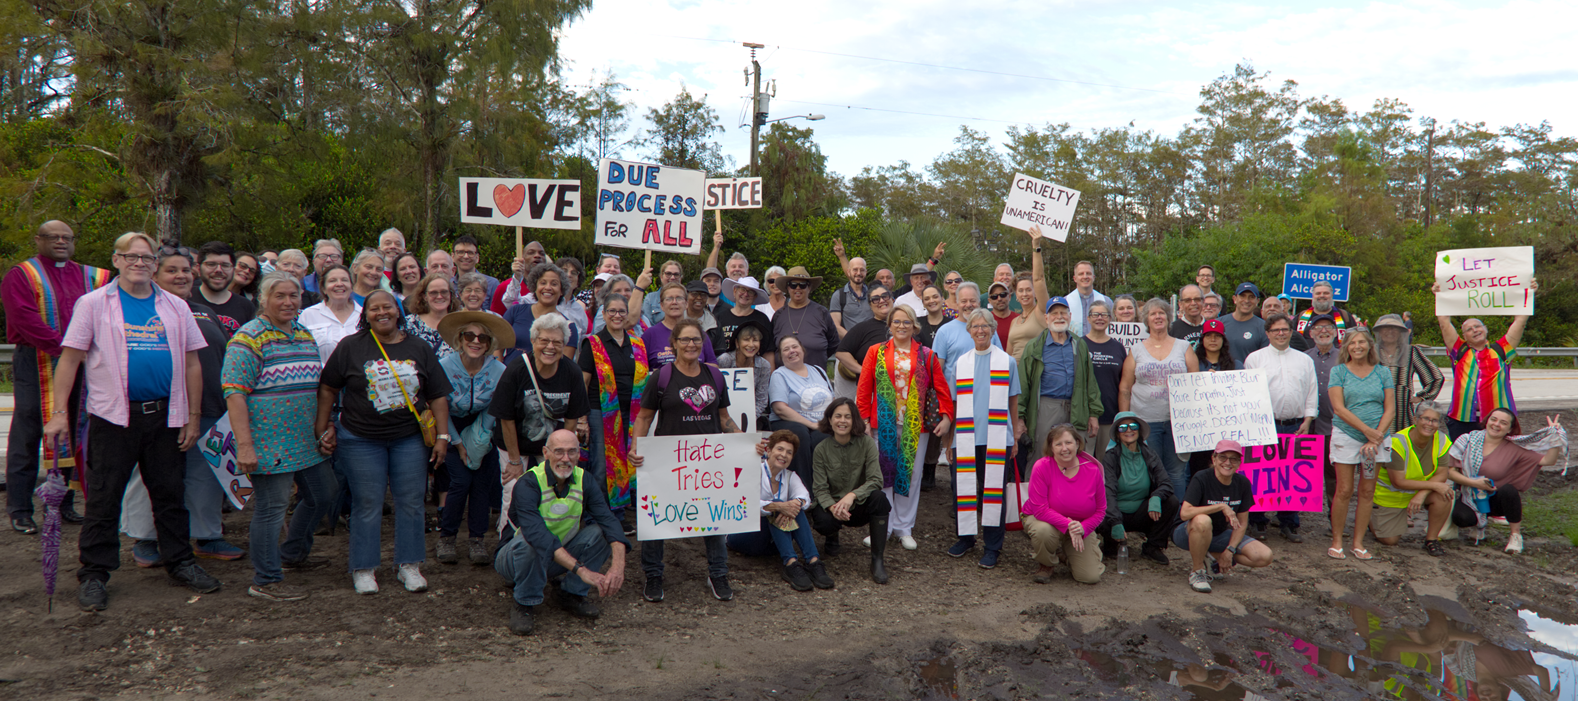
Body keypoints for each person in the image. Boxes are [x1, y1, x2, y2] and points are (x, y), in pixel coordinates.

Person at [44, 232, 220, 611]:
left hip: (165, 418)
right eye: (132, 256)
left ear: (155, 264)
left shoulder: (175, 306)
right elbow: (71, 359)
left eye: (147, 257)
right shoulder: (94, 304)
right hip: (113, 419)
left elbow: (192, 362)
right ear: (117, 260)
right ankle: (94, 573)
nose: (140, 263)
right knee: (104, 499)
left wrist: (191, 417)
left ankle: (180, 562)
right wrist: (59, 413)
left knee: (170, 496)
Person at [316, 289, 452, 595]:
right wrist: (322, 426)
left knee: (412, 502)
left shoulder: (419, 347)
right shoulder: (351, 346)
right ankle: (363, 568)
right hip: (360, 439)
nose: (382, 313)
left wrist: (442, 437)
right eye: (374, 308)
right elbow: (328, 387)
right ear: (366, 315)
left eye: (387, 307)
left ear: (398, 311)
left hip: (409, 439)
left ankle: (409, 565)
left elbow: (438, 395)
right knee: (367, 503)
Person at [117, 246, 243, 566]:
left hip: (212, 405)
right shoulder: (144, 310)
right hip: (163, 407)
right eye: (172, 270)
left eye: (186, 270)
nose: (181, 276)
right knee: (151, 476)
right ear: (155, 274)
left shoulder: (203, 310)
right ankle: (146, 538)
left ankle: (207, 536)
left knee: (206, 475)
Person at [221, 272, 336, 601]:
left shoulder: (303, 333)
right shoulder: (249, 338)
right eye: (280, 296)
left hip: (304, 438)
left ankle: (293, 552)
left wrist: (322, 428)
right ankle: (266, 579)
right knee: (271, 509)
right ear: (264, 299)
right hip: (268, 441)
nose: (288, 302)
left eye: (294, 296)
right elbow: (235, 393)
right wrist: (245, 445)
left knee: (323, 494)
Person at [629, 318, 744, 602]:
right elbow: (644, 417)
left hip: (708, 463)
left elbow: (724, 419)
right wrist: (636, 448)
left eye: (696, 340)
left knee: (714, 518)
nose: (691, 345)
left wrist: (745, 443)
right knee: (656, 519)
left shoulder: (715, 376)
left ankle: (718, 573)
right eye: (685, 340)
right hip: (667, 462)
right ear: (674, 344)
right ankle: (653, 575)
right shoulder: (662, 377)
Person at [3, 221, 106, 533]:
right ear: (39, 240)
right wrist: (64, 348)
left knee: (76, 428)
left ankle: (62, 503)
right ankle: (20, 509)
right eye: (53, 236)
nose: (61, 241)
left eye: (67, 237)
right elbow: (24, 317)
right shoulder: (21, 274)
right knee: (29, 428)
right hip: (37, 360)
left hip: (83, 363)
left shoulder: (93, 276)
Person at [495, 429, 627, 635]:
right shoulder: (528, 483)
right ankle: (524, 602)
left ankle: (571, 593)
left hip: (557, 556)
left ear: (579, 454)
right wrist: (582, 571)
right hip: (513, 558)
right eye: (559, 452)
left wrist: (618, 568)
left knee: (602, 531)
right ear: (545, 453)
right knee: (532, 542)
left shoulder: (585, 479)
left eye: (572, 452)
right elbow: (538, 536)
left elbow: (609, 521)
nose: (565, 459)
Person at [856, 305, 952, 542]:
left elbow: (941, 388)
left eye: (906, 322)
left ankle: (904, 527)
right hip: (883, 423)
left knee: (911, 475)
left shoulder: (926, 355)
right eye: (897, 322)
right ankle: (883, 526)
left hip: (915, 425)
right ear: (889, 325)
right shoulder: (875, 352)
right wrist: (864, 419)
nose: (901, 326)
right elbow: (864, 388)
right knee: (884, 474)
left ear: (914, 326)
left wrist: (947, 417)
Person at [946, 310, 1021, 569]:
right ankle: (966, 538)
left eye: (985, 326)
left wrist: (1015, 437)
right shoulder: (961, 363)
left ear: (992, 329)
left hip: (998, 436)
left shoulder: (1007, 362)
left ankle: (992, 546)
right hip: (965, 436)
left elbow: (1013, 401)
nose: (980, 330)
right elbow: (954, 405)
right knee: (962, 489)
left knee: (994, 493)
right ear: (969, 331)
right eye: (975, 326)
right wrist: (949, 441)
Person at [435, 311, 511, 566]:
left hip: (484, 427)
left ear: (489, 344)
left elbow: (496, 406)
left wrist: (480, 438)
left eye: (482, 337)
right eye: (470, 335)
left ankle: (477, 539)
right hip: (450, 426)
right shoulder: (445, 366)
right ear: (460, 338)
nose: (476, 341)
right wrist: (457, 442)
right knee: (460, 481)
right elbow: (440, 406)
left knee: (482, 483)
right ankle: (447, 536)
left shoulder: (499, 370)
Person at [1446, 408, 1566, 554]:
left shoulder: (1514, 447)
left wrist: (1554, 437)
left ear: (1509, 429)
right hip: (1470, 494)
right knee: (1461, 518)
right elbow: (1450, 472)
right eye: (1494, 419)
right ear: (1487, 420)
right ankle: (1477, 525)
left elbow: (1549, 460)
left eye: (1503, 423)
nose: (1496, 424)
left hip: (1497, 498)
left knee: (1509, 491)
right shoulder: (1467, 439)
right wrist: (1474, 483)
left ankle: (1515, 535)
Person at [727, 430, 836, 592]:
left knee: (795, 505)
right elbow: (743, 504)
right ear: (769, 451)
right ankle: (790, 564)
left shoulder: (790, 476)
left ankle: (813, 562)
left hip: (772, 543)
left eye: (789, 452)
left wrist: (793, 504)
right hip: (743, 536)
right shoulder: (753, 470)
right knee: (780, 504)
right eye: (780, 449)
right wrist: (777, 506)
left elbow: (805, 498)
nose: (784, 455)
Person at [1243, 313, 1318, 543]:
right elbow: (1247, 394)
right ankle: (1257, 521)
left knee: (1290, 477)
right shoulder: (1254, 359)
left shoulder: (1304, 360)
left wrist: (1308, 419)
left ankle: (1289, 523)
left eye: (1285, 329)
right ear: (1267, 333)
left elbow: (1312, 391)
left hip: (1296, 426)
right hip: (1264, 426)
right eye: (1276, 330)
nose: (1281, 333)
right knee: (1261, 476)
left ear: (1291, 331)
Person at [1433, 277, 1537, 441]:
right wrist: (1440, 296)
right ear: (1464, 336)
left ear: (1485, 329)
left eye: (1477, 326)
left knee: (1499, 462)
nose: (1474, 330)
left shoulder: (1501, 349)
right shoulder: (1459, 351)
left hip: (1498, 420)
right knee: (1461, 463)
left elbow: (1521, 320)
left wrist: (1528, 292)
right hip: (1462, 419)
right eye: (1468, 329)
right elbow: (1444, 322)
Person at [1326, 327, 1395, 560]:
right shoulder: (1339, 372)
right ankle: (1337, 540)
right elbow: (1339, 408)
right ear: (1346, 347)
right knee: (1344, 489)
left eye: (1362, 342)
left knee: (1367, 491)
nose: (1357, 346)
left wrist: (1377, 435)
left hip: (1376, 439)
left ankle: (1358, 542)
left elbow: (1390, 408)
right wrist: (1367, 432)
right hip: (1347, 435)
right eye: (1352, 343)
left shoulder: (1382, 372)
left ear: (1369, 346)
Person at [1119, 298, 1200, 496]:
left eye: (1161, 313)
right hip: (1145, 421)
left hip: (1178, 422)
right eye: (1153, 313)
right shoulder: (1136, 350)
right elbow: (1125, 387)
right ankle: (1154, 518)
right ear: (1146, 319)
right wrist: (1125, 419)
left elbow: (1197, 383)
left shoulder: (1183, 347)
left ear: (1168, 317)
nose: (1158, 317)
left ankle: (1177, 520)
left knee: (1177, 472)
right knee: (1150, 471)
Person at [810, 398, 895, 583]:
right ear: (830, 420)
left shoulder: (866, 443)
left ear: (854, 420)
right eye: (838, 416)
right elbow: (819, 488)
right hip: (834, 508)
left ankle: (877, 560)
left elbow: (876, 480)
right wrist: (833, 507)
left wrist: (852, 495)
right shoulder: (820, 450)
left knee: (880, 499)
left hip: (858, 505)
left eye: (848, 417)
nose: (842, 421)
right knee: (823, 521)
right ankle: (832, 536)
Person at [493, 313, 590, 475]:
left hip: (553, 444)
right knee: (513, 490)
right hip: (514, 441)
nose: (550, 347)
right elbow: (505, 417)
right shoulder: (516, 370)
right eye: (544, 341)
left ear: (564, 344)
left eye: (557, 342)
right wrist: (515, 461)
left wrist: (560, 456)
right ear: (533, 341)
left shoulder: (572, 372)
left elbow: (571, 420)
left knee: (553, 491)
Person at [577, 294, 646, 520]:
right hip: (600, 412)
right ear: (604, 314)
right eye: (612, 311)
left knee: (626, 463)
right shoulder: (593, 343)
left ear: (628, 315)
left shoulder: (636, 343)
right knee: (601, 466)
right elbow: (583, 384)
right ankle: (597, 517)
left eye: (621, 311)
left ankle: (617, 516)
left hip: (632, 414)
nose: (617, 315)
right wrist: (582, 420)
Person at [1175, 440, 1275, 593]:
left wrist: (1230, 550)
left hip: (1219, 533)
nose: (1228, 462)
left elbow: (1242, 522)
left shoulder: (1243, 483)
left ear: (1239, 463)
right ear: (1214, 459)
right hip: (1186, 532)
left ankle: (1214, 554)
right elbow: (1185, 513)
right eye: (1223, 457)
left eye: (1233, 458)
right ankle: (1198, 572)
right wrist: (1221, 506)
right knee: (1203, 520)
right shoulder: (1202, 478)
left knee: (1264, 556)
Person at [1018, 296, 1103, 463]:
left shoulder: (1079, 345)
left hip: (1076, 407)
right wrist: (1020, 418)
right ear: (1046, 318)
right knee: (1042, 457)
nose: (1059, 317)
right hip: (1045, 408)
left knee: (1073, 457)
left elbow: (1090, 383)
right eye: (1054, 313)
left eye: (1063, 312)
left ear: (1070, 316)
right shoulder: (1034, 347)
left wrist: (1093, 414)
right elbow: (1023, 385)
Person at [1021, 425, 1106, 585]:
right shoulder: (1042, 466)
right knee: (1043, 532)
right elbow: (1040, 510)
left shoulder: (1093, 470)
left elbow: (1101, 510)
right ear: (1051, 447)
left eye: (1069, 442)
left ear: (1077, 444)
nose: (1064, 448)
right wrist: (1069, 524)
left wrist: (1083, 528)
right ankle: (1046, 564)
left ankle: (1066, 556)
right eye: (1058, 444)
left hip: (1080, 526)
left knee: (1090, 577)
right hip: (1045, 520)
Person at [1372, 401, 1455, 555]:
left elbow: (1442, 474)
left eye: (1434, 420)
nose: (1429, 424)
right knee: (1390, 541)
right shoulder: (1398, 442)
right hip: (1391, 497)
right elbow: (1398, 482)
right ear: (1416, 420)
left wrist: (1422, 493)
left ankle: (1431, 539)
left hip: (1416, 493)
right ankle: (1372, 519)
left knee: (1444, 493)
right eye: (1425, 419)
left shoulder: (1442, 440)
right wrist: (1432, 486)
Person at [1098, 412, 1177, 565]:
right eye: (1122, 427)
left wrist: (1156, 496)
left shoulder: (1149, 454)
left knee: (1171, 502)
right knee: (1101, 510)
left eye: (1133, 426)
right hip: (1116, 514)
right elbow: (1108, 492)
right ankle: (1111, 542)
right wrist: (1115, 521)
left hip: (1142, 512)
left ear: (1139, 431)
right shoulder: (1110, 457)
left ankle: (1153, 547)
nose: (1129, 430)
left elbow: (1166, 483)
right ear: (1117, 433)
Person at [770, 335, 835, 486]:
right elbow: (779, 408)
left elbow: (832, 401)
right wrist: (812, 424)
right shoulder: (779, 374)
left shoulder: (818, 370)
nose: (791, 351)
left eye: (794, 347)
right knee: (799, 434)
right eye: (786, 349)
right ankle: (804, 490)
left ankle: (825, 489)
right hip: (789, 422)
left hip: (820, 423)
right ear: (781, 356)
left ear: (802, 350)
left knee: (823, 438)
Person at [1374, 314, 1445, 433]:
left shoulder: (1411, 352)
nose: (1390, 331)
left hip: (1402, 416)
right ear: (1379, 332)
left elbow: (1435, 377)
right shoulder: (1371, 351)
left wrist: (1422, 396)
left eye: (1394, 328)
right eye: (1385, 328)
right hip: (1375, 413)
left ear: (1400, 332)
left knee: (1401, 447)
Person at [1185, 319, 1237, 480]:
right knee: (1198, 469)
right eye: (1209, 336)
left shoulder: (1236, 365)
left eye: (1217, 336)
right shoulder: (1192, 365)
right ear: (1202, 340)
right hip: (1198, 428)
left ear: (1223, 340)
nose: (1213, 340)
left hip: (1226, 427)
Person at [504, 262, 580, 364]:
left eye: (554, 284)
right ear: (535, 287)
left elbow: (565, 365)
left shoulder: (568, 327)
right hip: (509, 376)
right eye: (543, 283)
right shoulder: (515, 311)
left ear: (561, 290)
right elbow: (497, 345)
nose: (548, 287)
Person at [930, 282, 1000, 384]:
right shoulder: (944, 331)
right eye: (964, 301)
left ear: (979, 303)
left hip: (986, 391)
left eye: (972, 301)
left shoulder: (988, 329)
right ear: (957, 303)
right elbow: (937, 371)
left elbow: (999, 360)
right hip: (954, 395)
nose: (968, 305)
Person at [772, 266, 841, 369]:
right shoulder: (778, 316)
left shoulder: (821, 312)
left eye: (803, 285)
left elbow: (834, 343)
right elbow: (772, 348)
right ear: (787, 288)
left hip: (816, 379)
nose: (798, 288)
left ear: (809, 288)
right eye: (793, 285)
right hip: (785, 380)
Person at [831, 283, 891, 401]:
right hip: (871, 392)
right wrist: (865, 370)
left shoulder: (904, 324)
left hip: (901, 390)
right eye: (875, 299)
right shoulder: (862, 328)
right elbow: (841, 353)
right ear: (870, 305)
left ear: (891, 297)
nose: (881, 300)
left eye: (885, 296)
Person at [1082, 300, 1127, 453]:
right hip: (1084, 417)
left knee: (1106, 466)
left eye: (1104, 315)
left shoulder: (1118, 347)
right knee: (1083, 464)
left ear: (1109, 319)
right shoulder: (1079, 345)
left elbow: (1124, 383)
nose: (1099, 318)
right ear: (1088, 318)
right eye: (1095, 314)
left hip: (1110, 416)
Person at [642, 282, 718, 369]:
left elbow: (714, 366)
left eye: (679, 298)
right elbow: (641, 369)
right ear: (662, 306)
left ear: (686, 304)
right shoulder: (650, 335)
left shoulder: (699, 333)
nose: (674, 302)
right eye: (669, 299)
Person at [1006, 227, 1053, 356]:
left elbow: (1039, 279)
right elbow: (1008, 354)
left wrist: (1036, 247)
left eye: (1028, 290)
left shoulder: (1041, 311)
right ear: (1016, 295)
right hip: (1014, 374)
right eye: (1020, 290)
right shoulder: (1014, 321)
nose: (1025, 294)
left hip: (1034, 373)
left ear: (1035, 293)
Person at [300, 265, 361, 363]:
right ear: (323, 288)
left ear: (351, 286)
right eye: (332, 280)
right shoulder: (308, 315)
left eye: (344, 280)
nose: (339, 284)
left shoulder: (364, 315)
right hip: (322, 377)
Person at [193, 241, 255, 335]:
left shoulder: (246, 306)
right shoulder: (184, 300)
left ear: (233, 269)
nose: (218, 270)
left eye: (225, 265)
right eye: (211, 264)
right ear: (198, 268)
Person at [717, 323, 771, 431]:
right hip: (722, 416)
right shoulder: (724, 360)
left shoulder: (764, 365)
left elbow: (762, 399)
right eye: (746, 340)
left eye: (755, 340)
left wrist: (750, 418)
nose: (751, 345)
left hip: (750, 418)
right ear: (737, 343)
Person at [715, 276, 774, 362]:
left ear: (755, 297)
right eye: (742, 289)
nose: (745, 294)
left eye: (750, 292)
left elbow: (768, 352)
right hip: (724, 369)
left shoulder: (762, 319)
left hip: (753, 368)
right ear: (735, 291)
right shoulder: (720, 317)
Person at [404, 274, 459, 361]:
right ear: (424, 296)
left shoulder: (460, 323)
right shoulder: (410, 323)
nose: (439, 296)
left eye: (444, 292)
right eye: (433, 293)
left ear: (451, 295)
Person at [1219, 282, 1267, 367]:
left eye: (1251, 297)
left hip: (1248, 378)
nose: (1247, 300)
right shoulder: (1220, 323)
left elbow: (1265, 360)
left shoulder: (1263, 328)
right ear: (1234, 299)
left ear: (1257, 301)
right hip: (1221, 377)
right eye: (1242, 296)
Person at [1295, 281, 1359, 342]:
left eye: (1326, 293)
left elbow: (1355, 338)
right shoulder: (1301, 316)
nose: (1322, 295)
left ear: (1332, 295)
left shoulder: (1345, 316)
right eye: (1318, 293)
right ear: (1313, 296)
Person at [827, 247, 871, 335]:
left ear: (866, 272)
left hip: (871, 345)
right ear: (848, 272)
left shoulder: (873, 294)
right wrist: (853, 341)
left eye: (862, 270)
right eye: (855, 270)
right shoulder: (839, 296)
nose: (858, 273)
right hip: (848, 345)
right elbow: (835, 325)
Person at [1064, 260, 1111, 337]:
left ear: (1093, 277)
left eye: (1088, 273)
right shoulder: (1065, 302)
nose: (1085, 276)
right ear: (1075, 278)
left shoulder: (1107, 301)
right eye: (1081, 274)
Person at [450, 235, 498, 301]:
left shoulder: (492, 284)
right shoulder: (448, 285)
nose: (466, 256)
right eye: (460, 252)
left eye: (470, 253)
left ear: (477, 257)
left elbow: (496, 311)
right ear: (453, 256)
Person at [641, 259, 684, 327]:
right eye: (668, 274)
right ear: (661, 276)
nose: (672, 277)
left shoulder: (686, 299)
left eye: (676, 274)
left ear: (681, 277)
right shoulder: (650, 299)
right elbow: (646, 325)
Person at [683, 279, 721, 348]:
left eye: (703, 295)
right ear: (686, 296)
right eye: (694, 294)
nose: (699, 297)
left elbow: (719, 351)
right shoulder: (676, 318)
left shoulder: (714, 323)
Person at [985, 281, 1018, 350]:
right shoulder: (985, 321)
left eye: (1003, 294)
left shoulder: (1019, 319)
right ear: (989, 301)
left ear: (1009, 297)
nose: (999, 299)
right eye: (994, 296)